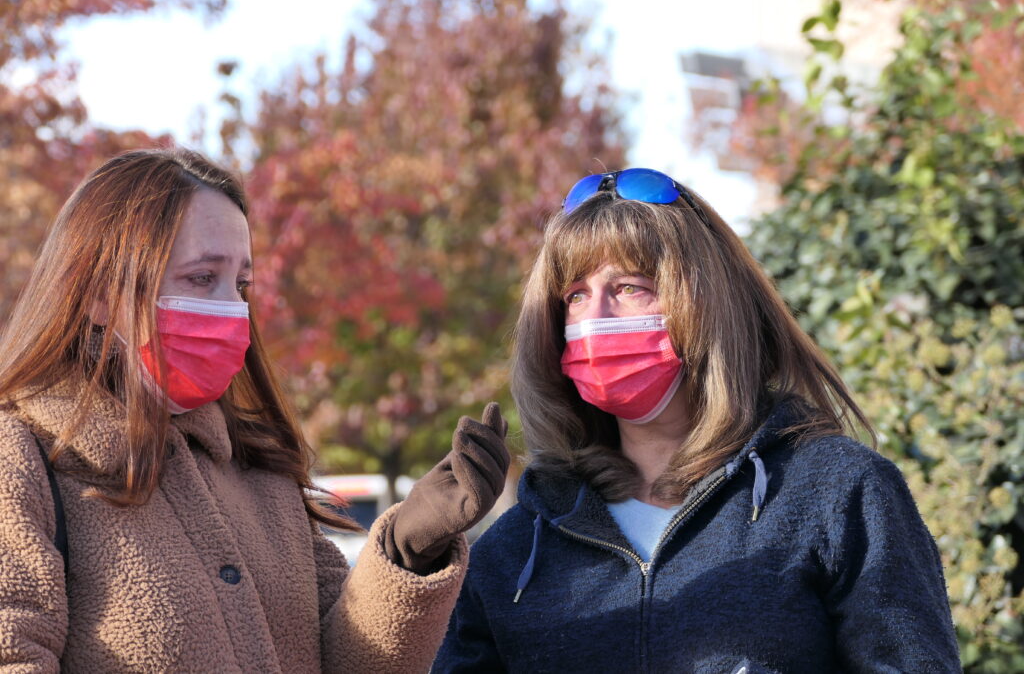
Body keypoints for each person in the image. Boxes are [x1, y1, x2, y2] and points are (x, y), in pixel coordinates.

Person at [0, 148, 509, 672]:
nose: (231, 308)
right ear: (101, 296)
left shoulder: (261, 469)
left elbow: (346, 659)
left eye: (241, 285)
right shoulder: (22, 458)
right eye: (202, 278)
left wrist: (408, 550)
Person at [434, 168, 960, 673]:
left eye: (629, 288)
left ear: (706, 304)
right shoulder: (516, 547)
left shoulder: (838, 492)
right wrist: (418, 562)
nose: (594, 318)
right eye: (575, 296)